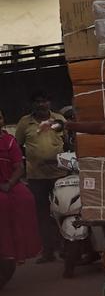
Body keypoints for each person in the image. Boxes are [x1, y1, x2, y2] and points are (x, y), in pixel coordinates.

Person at [14, 92, 68, 263]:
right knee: (42, 214)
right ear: (33, 105)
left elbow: (68, 142)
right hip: (36, 176)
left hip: (60, 174)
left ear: (49, 102)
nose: (41, 104)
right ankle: (48, 251)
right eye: (37, 102)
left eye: (44, 101)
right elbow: (17, 146)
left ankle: (66, 247)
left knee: (64, 211)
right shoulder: (25, 123)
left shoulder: (59, 120)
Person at [0, 120, 42, 285]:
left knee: (26, 198)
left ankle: (15, 249)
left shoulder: (9, 141)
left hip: (7, 184)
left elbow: (19, 167)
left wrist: (9, 184)